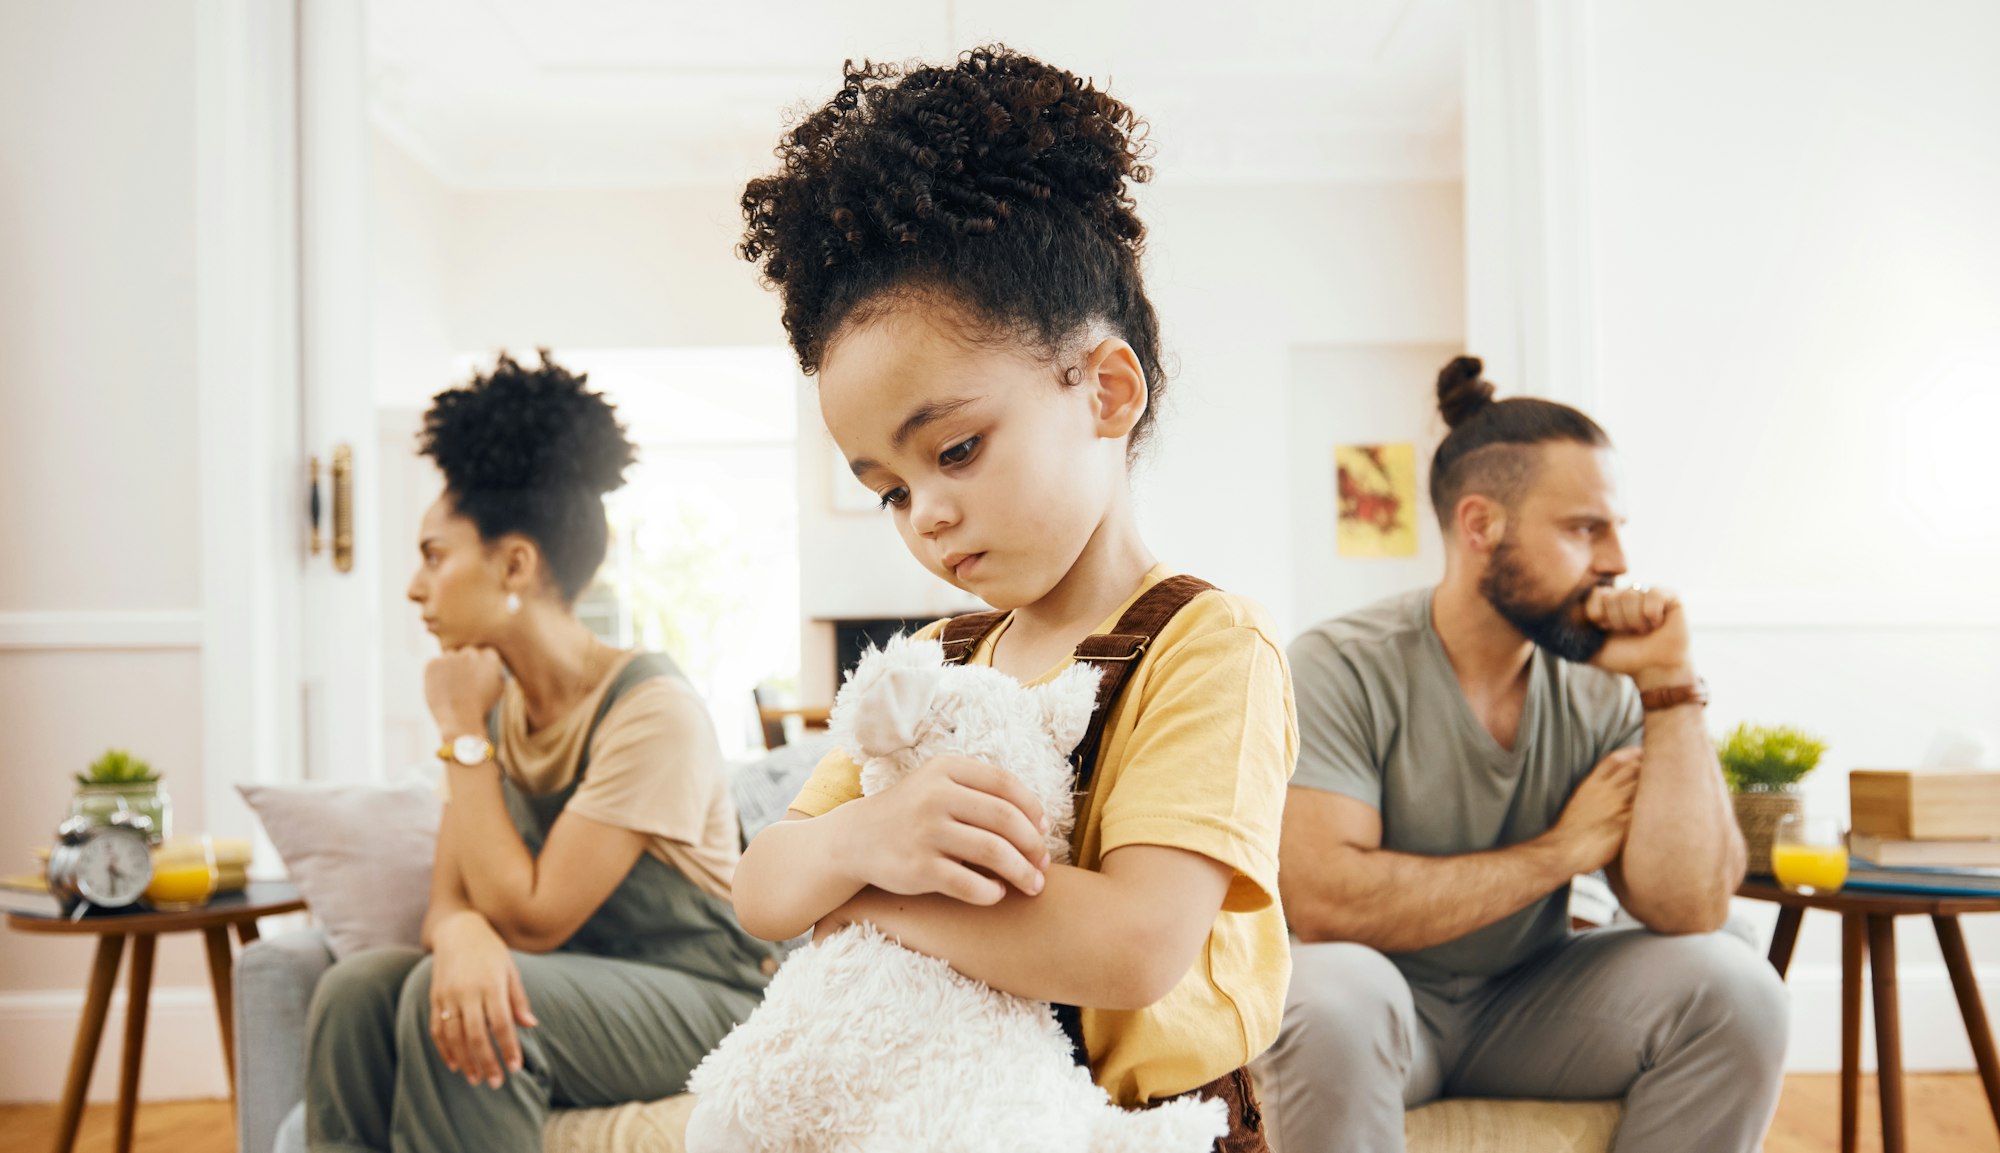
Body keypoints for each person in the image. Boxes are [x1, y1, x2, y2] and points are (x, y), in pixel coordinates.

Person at [726, 47, 1296, 1150]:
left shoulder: (1208, 646)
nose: (923, 514)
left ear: (1105, 390)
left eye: (954, 448)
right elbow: (762, 885)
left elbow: (1131, 943)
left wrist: (862, 891)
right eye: (888, 489)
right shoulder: (934, 660)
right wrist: (860, 841)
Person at [1254, 356, 1789, 1153]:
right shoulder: (1338, 663)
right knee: (1329, 990)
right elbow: (1329, 904)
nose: (1615, 559)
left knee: (1742, 986)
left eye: (1615, 529)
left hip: (1535, 1005)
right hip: (1386, 1003)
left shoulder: (1606, 683)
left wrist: (1671, 685)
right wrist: (1562, 853)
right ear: (1481, 527)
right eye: (1584, 529)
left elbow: (1690, 907)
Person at [305, 352, 776, 1153]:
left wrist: (458, 731)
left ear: (515, 562)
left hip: (707, 998)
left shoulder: (650, 708)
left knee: (458, 1000)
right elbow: (450, 904)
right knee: (354, 992)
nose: (416, 589)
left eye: (433, 555)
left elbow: (531, 916)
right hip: (574, 984)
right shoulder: (493, 710)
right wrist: (461, 935)